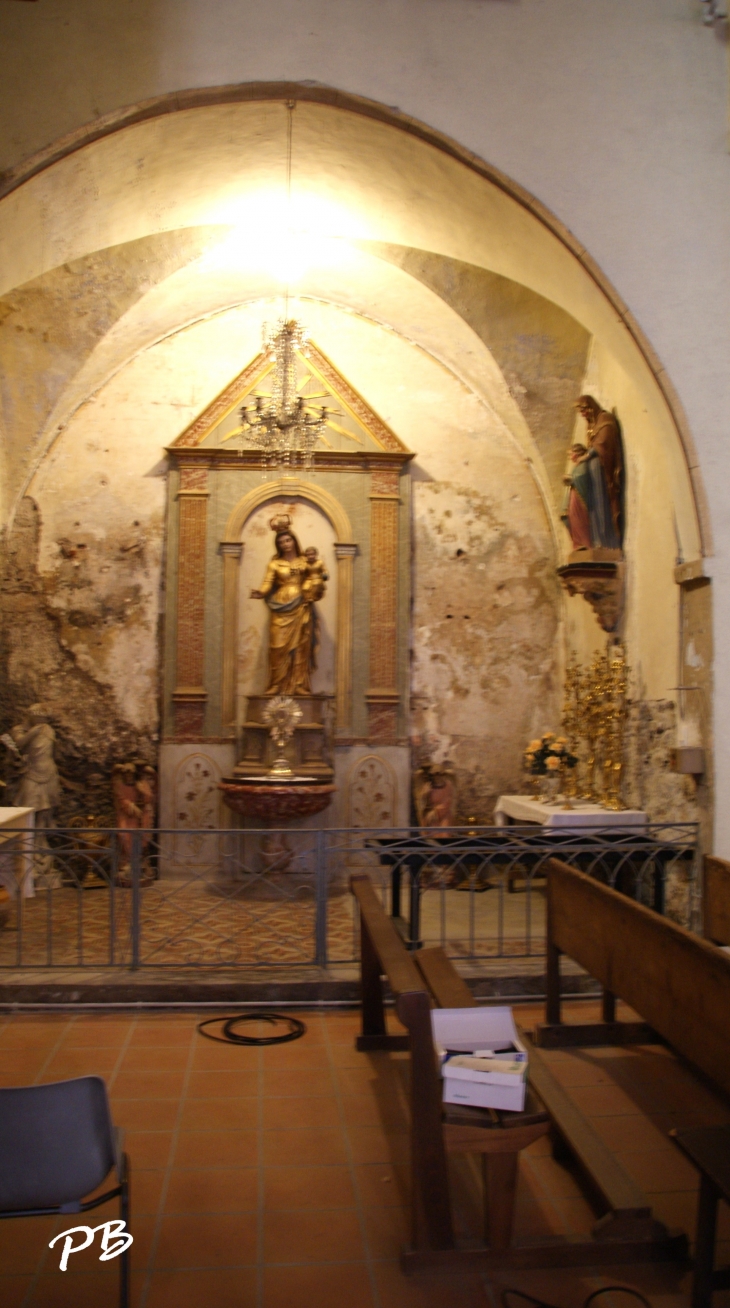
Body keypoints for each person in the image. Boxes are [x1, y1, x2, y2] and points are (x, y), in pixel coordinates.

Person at [250, 518, 327, 695]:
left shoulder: (304, 561)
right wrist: (261, 593)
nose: (285, 544)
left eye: (288, 540)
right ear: (277, 545)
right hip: (281, 607)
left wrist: (317, 584)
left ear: (294, 540)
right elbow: (267, 583)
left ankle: (299, 684)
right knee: (277, 647)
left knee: (301, 646)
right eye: (281, 542)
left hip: (301, 606)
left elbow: (316, 575)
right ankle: (276, 683)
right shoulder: (275, 564)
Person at [10, 705, 62, 889]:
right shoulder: (19, 730)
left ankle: (41, 858)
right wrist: (35, 730)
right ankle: (26, 863)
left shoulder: (49, 730)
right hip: (31, 776)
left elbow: (54, 753)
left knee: (43, 820)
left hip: (48, 775)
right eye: (36, 716)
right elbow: (19, 744)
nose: (41, 720)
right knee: (26, 818)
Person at [568, 394, 623, 549]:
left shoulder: (605, 419)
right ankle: (596, 540)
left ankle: (605, 540)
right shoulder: (591, 426)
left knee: (601, 504)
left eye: (584, 410)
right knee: (593, 506)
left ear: (591, 407)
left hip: (602, 471)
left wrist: (587, 456)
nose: (583, 414)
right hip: (593, 472)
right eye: (581, 412)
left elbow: (603, 443)